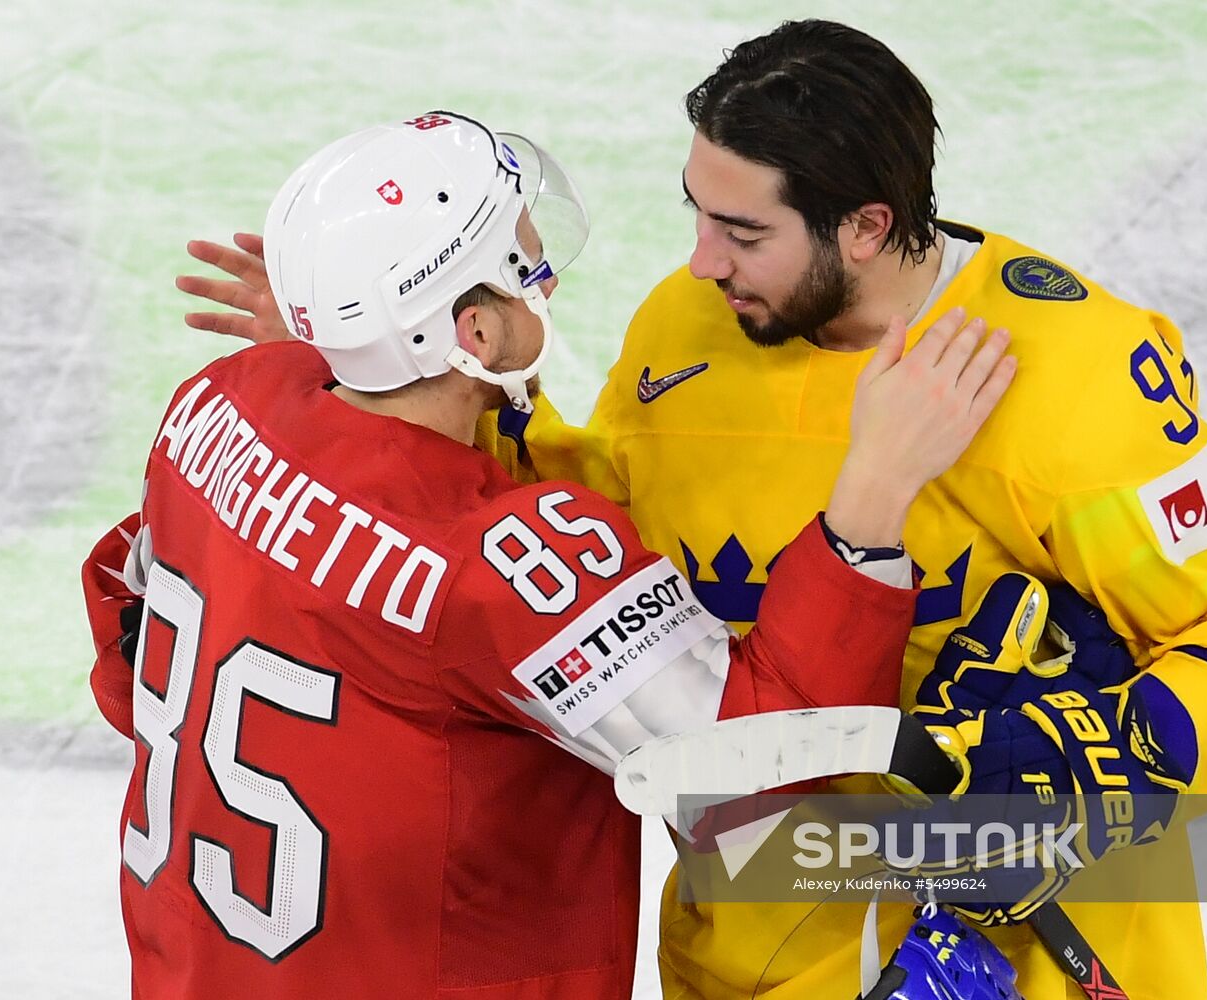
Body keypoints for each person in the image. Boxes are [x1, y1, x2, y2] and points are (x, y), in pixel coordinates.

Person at [175, 22, 1207, 998]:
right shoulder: (688, 327)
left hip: (1017, 960)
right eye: (696, 213)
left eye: (742, 233)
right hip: (743, 946)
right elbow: (584, 531)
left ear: (866, 227)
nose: (699, 261)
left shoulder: (1070, 369)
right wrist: (376, 357)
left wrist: (1058, 764)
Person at [84, 111, 1015, 999]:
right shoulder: (499, 562)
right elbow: (752, 773)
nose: (547, 282)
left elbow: (133, 622)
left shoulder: (218, 399)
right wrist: (872, 496)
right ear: (473, 334)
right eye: (523, 263)